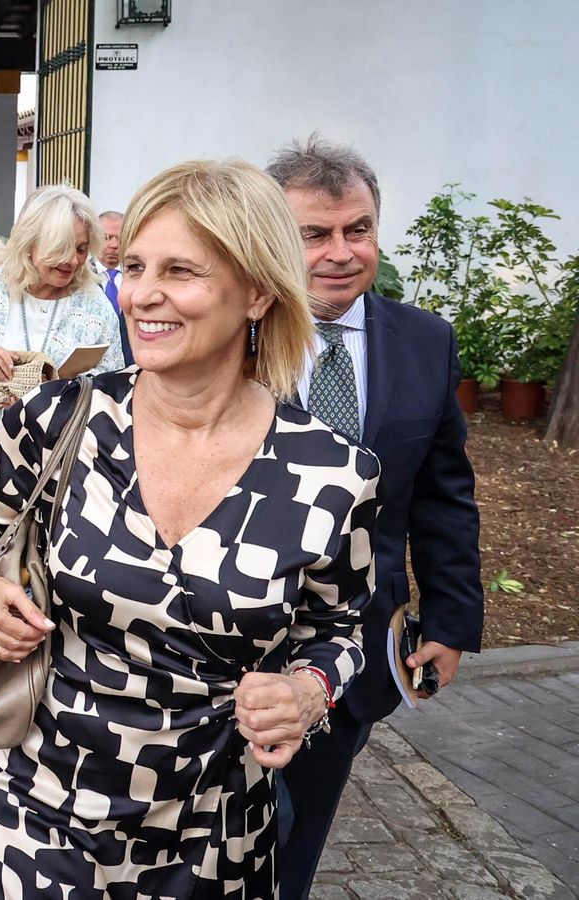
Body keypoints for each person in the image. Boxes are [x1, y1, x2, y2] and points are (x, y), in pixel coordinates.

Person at [0, 158, 381, 899]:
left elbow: (342, 628)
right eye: (135, 265)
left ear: (259, 291)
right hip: (41, 804)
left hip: (215, 831)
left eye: (181, 270)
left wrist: (308, 690)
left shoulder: (331, 474)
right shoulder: (60, 419)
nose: (142, 294)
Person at [270, 136, 484, 900]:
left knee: (296, 844)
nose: (340, 252)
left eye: (356, 229)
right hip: (221, 647)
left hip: (356, 649)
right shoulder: (228, 336)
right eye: (314, 234)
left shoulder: (425, 341)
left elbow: (443, 492)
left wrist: (451, 622)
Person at [0, 184, 126, 493]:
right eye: (60, 248)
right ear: (30, 243)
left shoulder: (94, 304)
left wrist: (55, 393)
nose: (71, 260)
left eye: (81, 248)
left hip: (57, 469)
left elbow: (113, 390)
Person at [97, 209, 135, 363]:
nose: (113, 245)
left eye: (119, 239)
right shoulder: (79, 278)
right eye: (107, 238)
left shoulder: (137, 275)